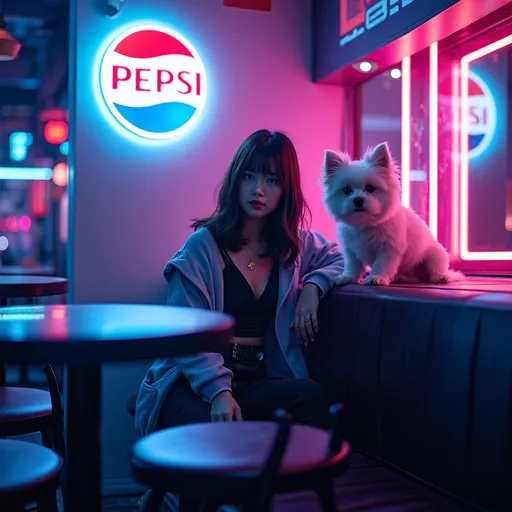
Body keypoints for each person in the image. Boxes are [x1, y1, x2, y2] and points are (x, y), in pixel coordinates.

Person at [135, 129, 344, 439]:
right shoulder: (202, 247)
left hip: (256, 380)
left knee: (311, 397)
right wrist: (219, 391)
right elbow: (185, 335)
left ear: (286, 190)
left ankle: (285, 487)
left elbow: (341, 260)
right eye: (249, 177)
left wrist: (313, 287)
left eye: (272, 180)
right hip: (191, 382)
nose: (258, 190)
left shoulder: (293, 246)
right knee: (214, 436)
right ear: (235, 181)